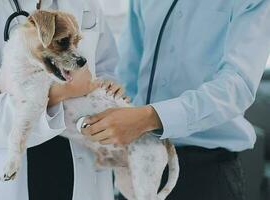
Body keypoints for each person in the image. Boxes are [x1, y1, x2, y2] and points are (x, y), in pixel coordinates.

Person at [81, 0, 270, 200]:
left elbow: (237, 86)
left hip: (206, 173)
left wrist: (149, 118)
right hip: (138, 164)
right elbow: (127, 71)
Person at [0, 0, 121, 200]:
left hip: (81, 176)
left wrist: (108, 87)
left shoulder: (85, 5)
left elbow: (107, 70)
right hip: (8, 183)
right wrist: (60, 92)